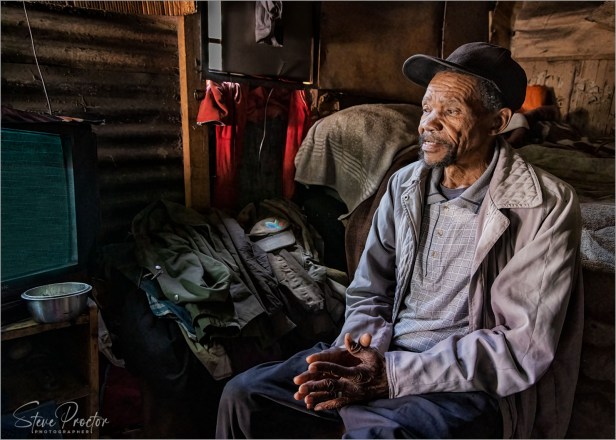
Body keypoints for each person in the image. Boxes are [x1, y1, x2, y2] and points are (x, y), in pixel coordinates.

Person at [216, 42, 583, 439]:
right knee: (245, 395)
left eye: (451, 111)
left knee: (375, 436)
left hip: (455, 383)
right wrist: (364, 352)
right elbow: (369, 289)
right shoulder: (404, 184)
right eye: (426, 108)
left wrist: (391, 376)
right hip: (382, 352)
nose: (427, 124)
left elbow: (521, 346)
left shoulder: (544, 204)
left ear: (497, 122)